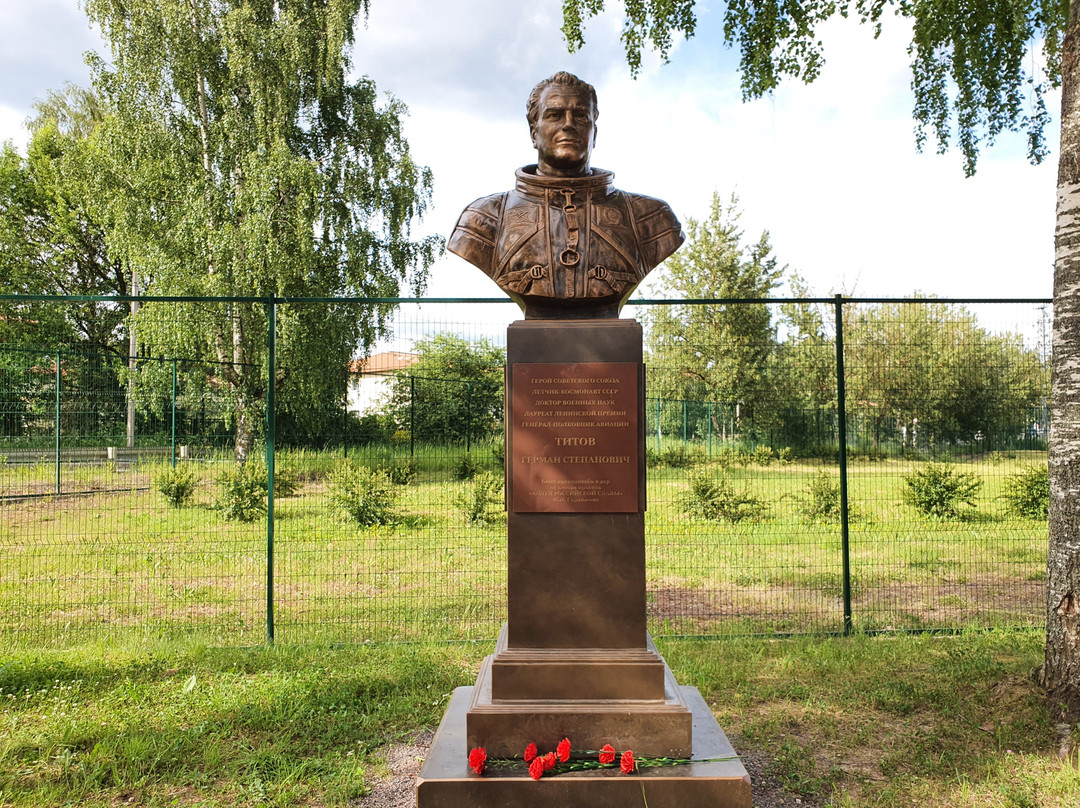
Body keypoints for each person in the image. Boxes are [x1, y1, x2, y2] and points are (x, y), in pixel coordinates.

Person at [449, 71, 684, 318]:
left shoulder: (650, 217)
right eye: (554, 115)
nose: (568, 124)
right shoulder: (484, 218)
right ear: (533, 133)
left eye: (581, 116)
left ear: (594, 134)